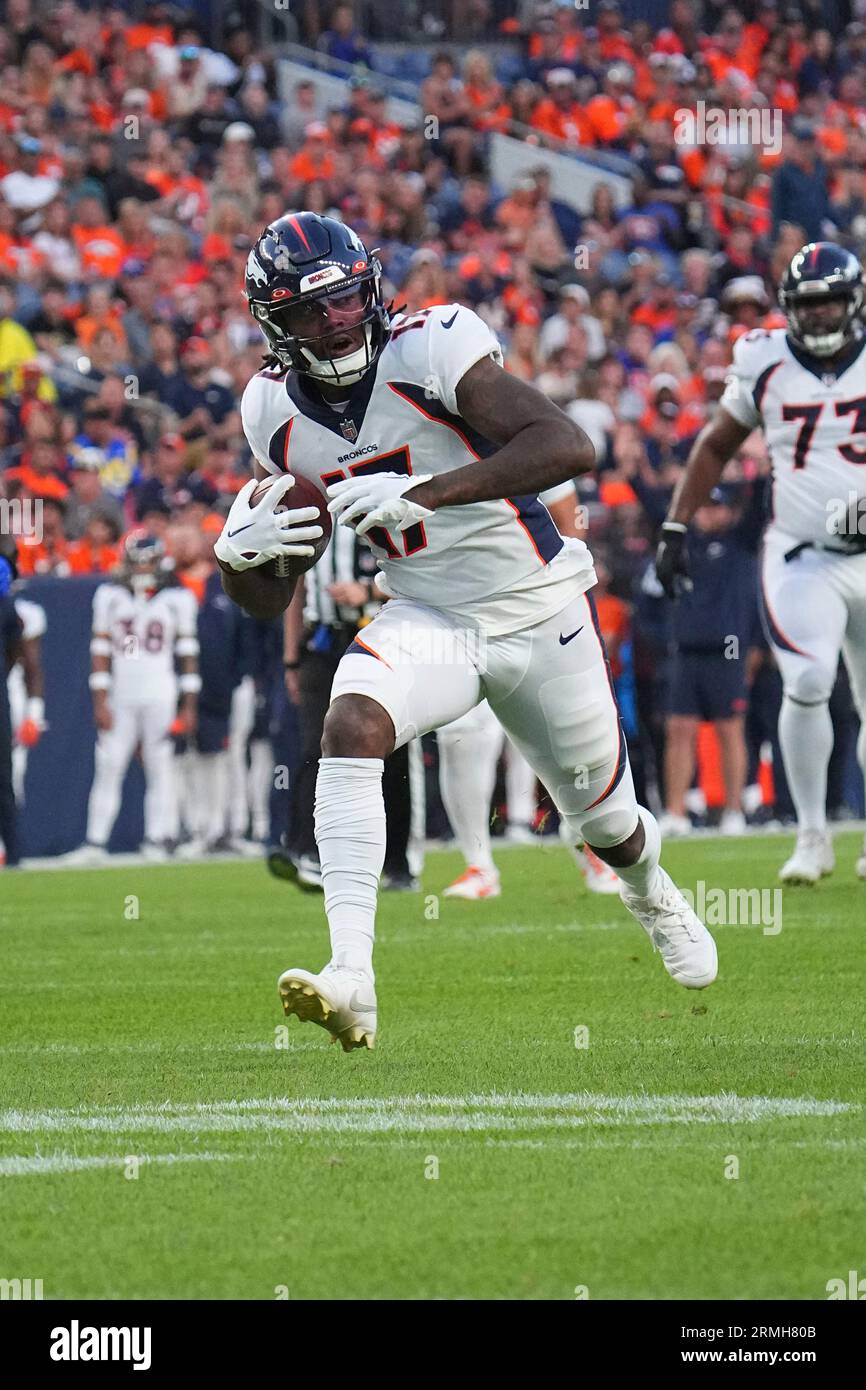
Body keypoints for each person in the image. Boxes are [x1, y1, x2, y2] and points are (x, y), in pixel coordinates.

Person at [215, 211, 718, 1052]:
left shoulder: (431, 345)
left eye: (343, 300)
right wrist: (242, 558)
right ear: (276, 324)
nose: (335, 321)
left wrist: (430, 495)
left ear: (368, 288)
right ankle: (351, 976)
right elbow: (267, 599)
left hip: (538, 604)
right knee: (353, 721)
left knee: (608, 823)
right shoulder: (270, 410)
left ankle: (650, 889)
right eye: (311, 312)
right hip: (430, 614)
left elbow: (568, 444)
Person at [657, 241, 866, 884]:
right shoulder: (764, 359)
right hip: (803, 556)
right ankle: (811, 836)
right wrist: (674, 526)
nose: (824, 316)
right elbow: (716, 445)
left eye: (833, 303)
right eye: (811, 305)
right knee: (806, 682)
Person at [62, 531, 199, 863]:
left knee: (160, 768)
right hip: (122, 694)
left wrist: (189, 705)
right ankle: (96, 842)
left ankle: (158, 837)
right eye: (137, 562)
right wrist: (100, 699)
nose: (142, 569)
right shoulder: (109, 595)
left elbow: (188, 651)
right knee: (109, 765)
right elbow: (100, 649)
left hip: (160, 693)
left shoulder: (177, 598)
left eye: (148, 561)